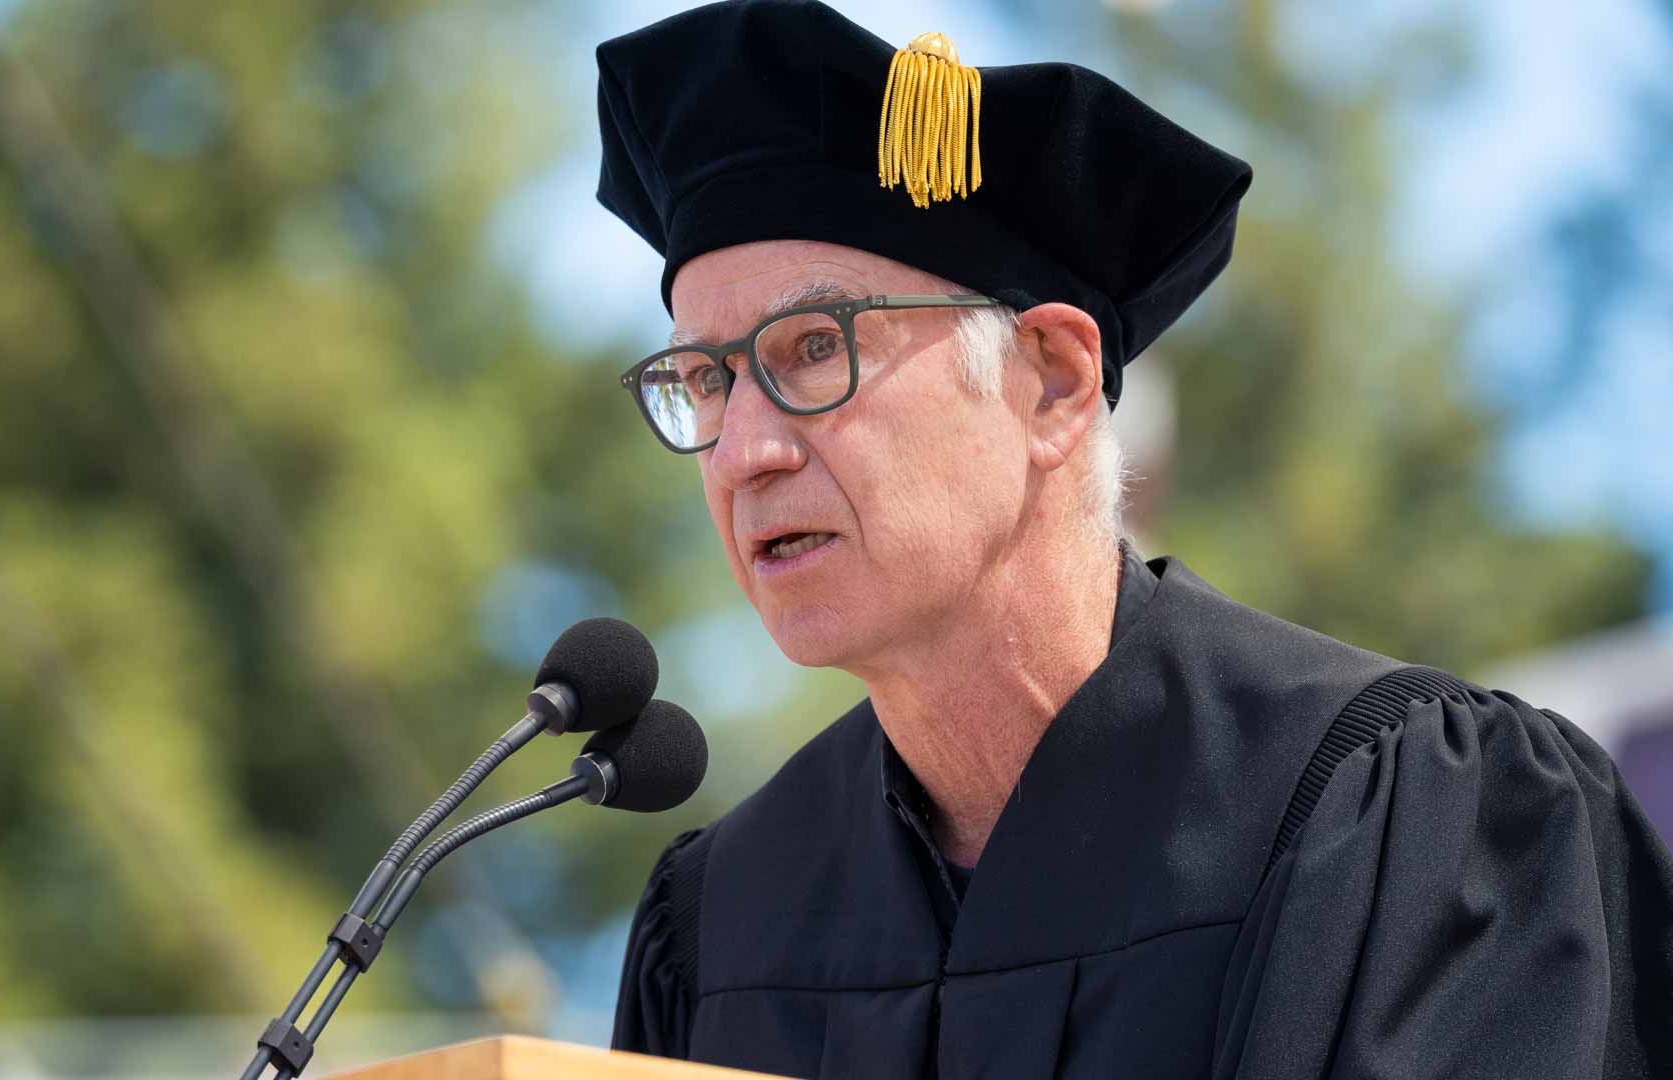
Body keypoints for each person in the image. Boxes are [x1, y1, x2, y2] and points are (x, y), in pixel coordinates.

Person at [593, 2, 1673, 1077]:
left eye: (813, 348)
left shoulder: (1402, 821)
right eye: (703, 380)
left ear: (1054, 383)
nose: (742, 451)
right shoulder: (725, 923)